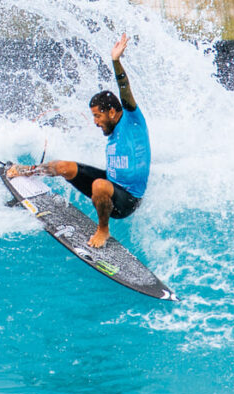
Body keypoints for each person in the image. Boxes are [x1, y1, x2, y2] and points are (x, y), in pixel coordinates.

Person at [8, 33, 151, 248]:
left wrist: (115, 61)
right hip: (110, 183)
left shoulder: (132, 120)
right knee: (63, 166)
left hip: (128, 198)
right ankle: (28, 171)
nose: (95, 122)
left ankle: (103, 230)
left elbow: (125, 91)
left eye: (98, 116)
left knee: (100, 185)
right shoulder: (111, 128)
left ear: (112, 112)